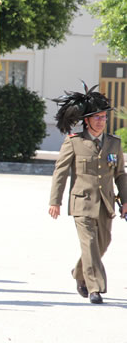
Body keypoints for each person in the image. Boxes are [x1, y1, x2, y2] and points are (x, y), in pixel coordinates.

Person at [48, 84, 127, 304]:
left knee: (104, 242)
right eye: (97, 117)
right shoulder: (74, 142)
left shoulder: (114, 143)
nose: (101, 121)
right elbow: (60, 173)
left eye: (104, 117)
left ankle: (78, 272)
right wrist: (55, 201)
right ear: (87, 120)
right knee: (90, 243)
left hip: (106, 203)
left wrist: (126, 200)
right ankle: (95, 287)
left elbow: (120, 174)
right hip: (82, 202)